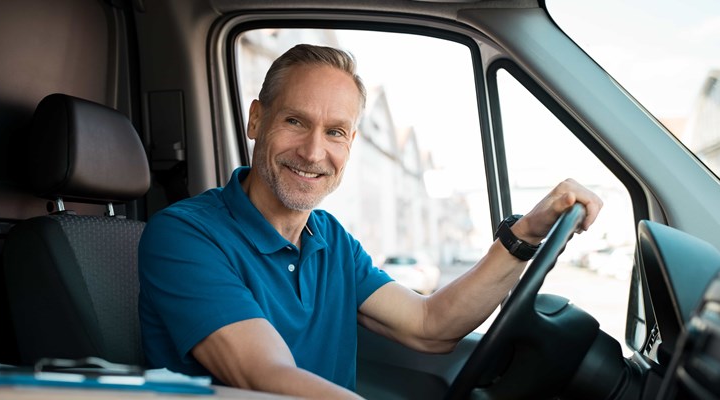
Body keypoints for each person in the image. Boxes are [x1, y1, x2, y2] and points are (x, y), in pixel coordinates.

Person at [138, 44, 603, 399]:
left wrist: (525, 235)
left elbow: (430, 324)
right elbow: (267, 378)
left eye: (335, 132)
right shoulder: (185, 235)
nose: (314, 152)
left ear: (351, 141)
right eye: (295, 121)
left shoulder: (331, 240)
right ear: (256, 120)